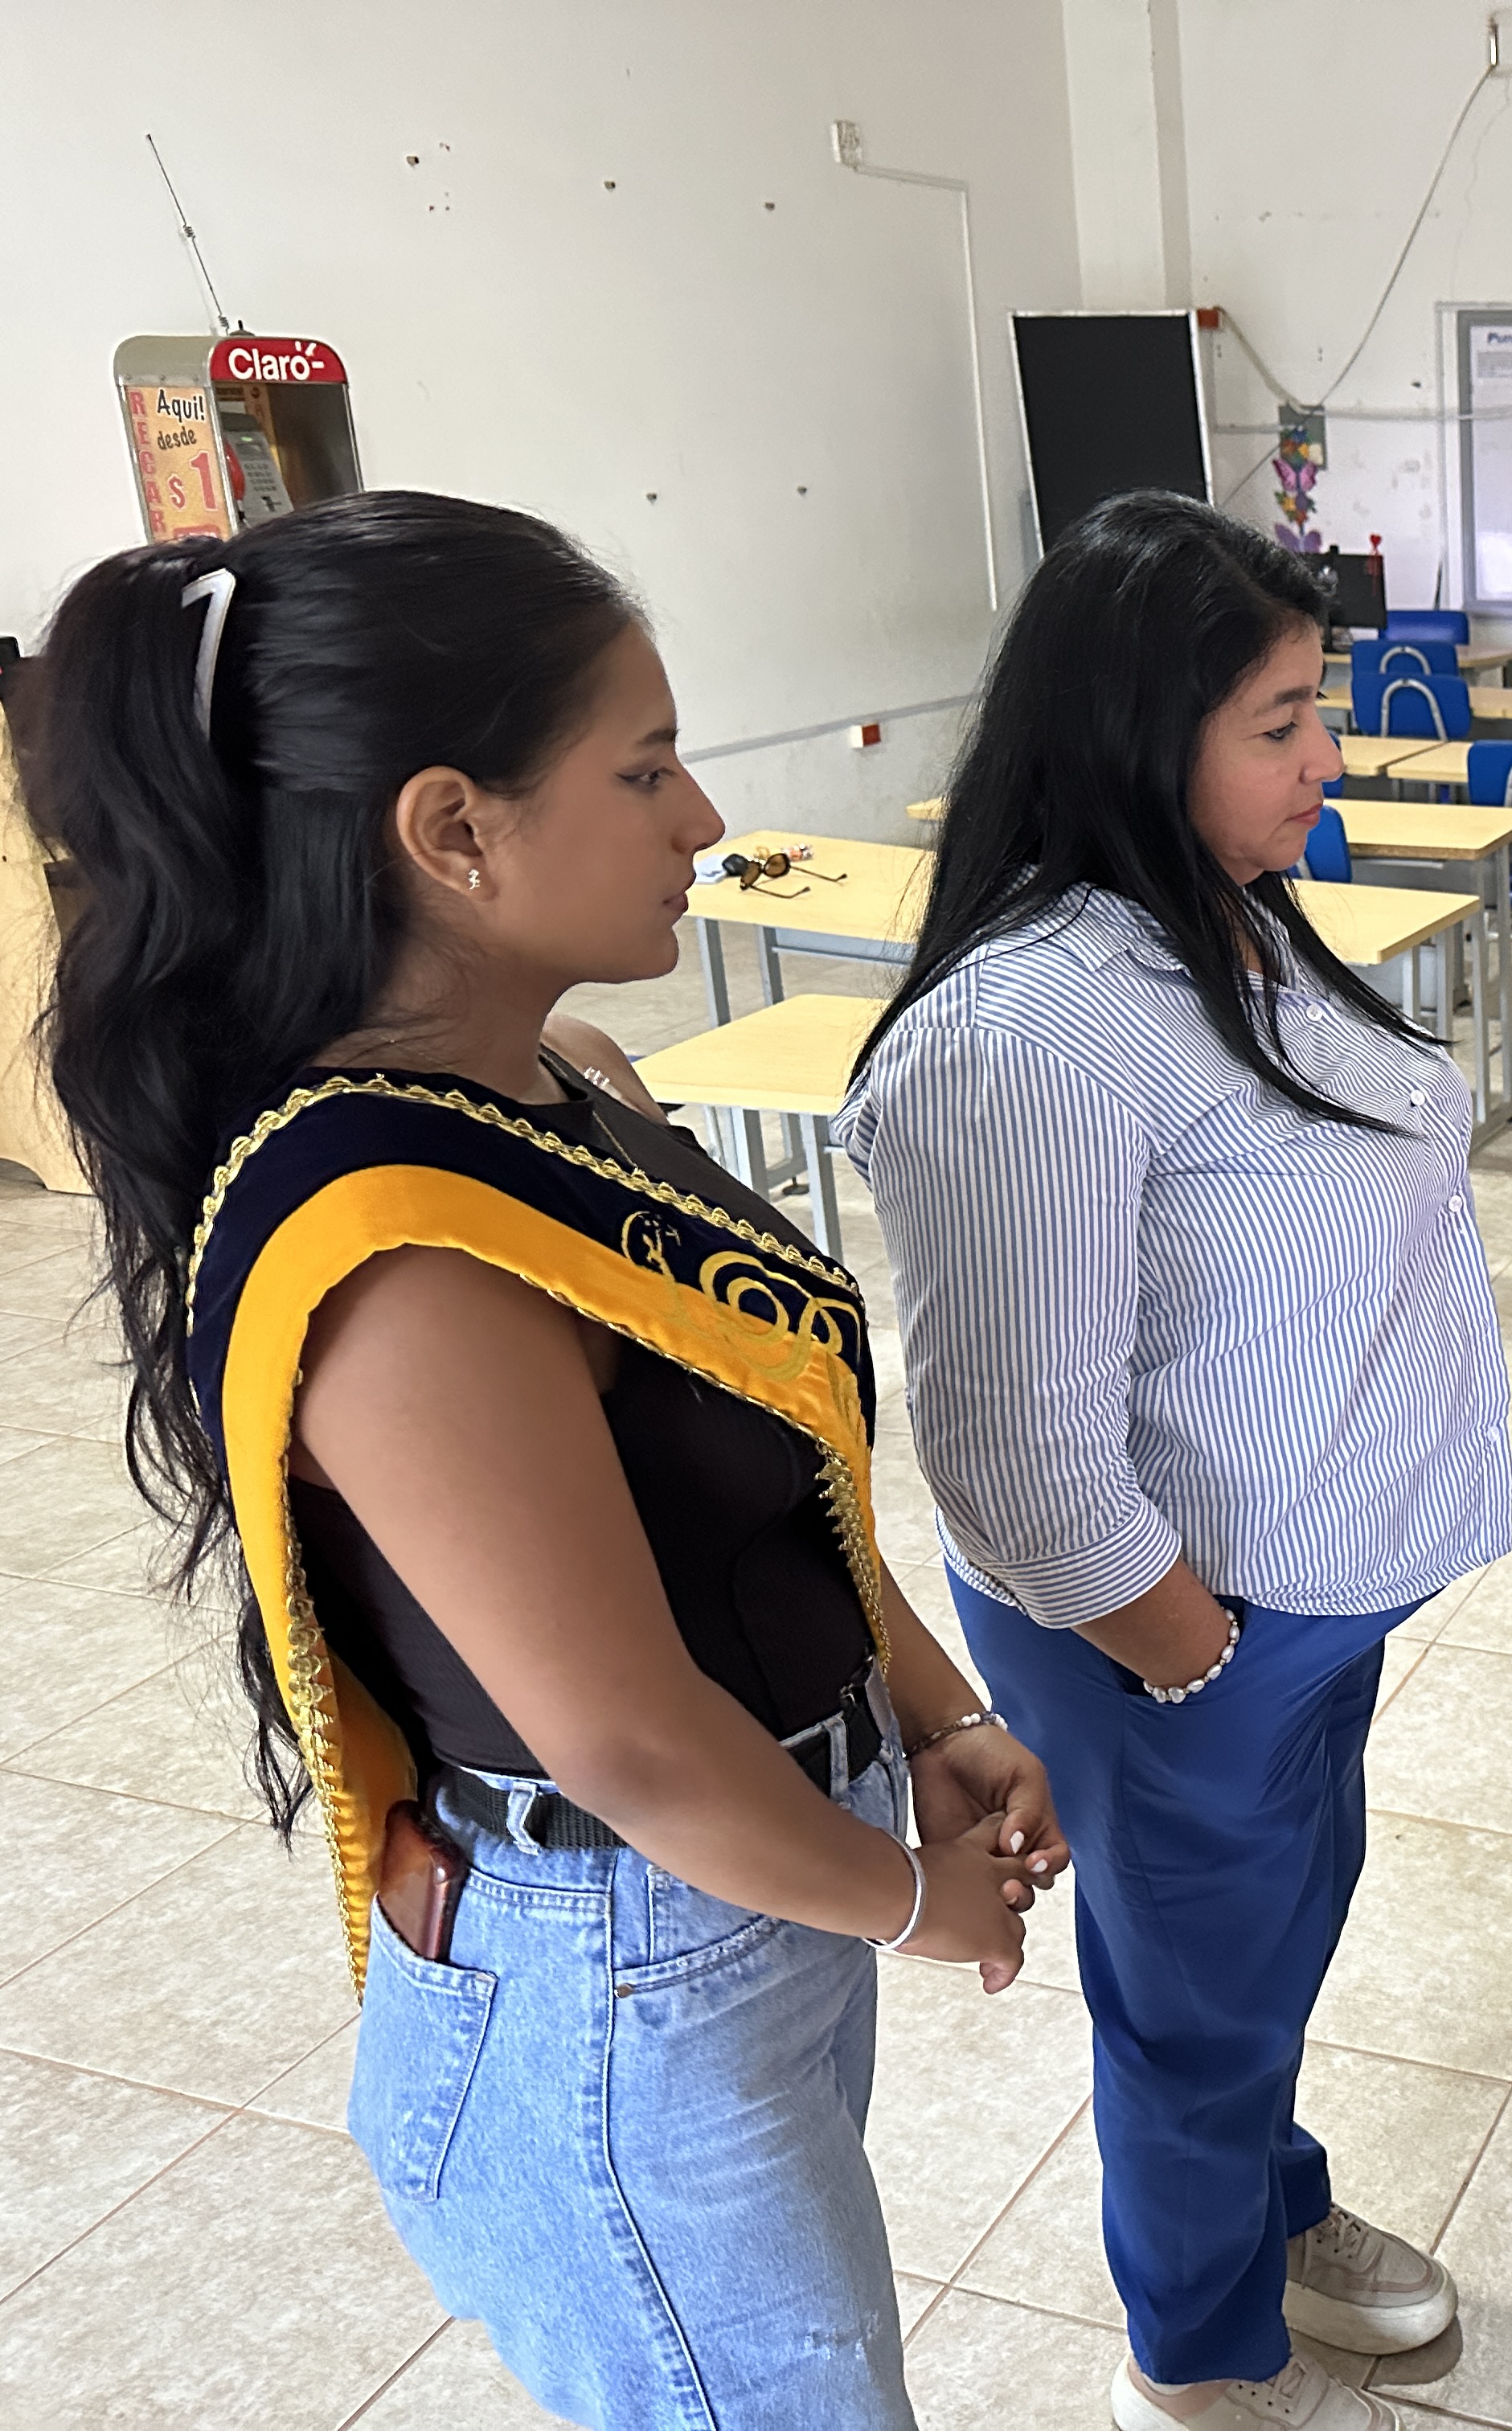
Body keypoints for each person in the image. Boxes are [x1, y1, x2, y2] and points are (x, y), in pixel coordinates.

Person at [31, 490, 1066, 2430]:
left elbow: (760, 1465)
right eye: (645, 768)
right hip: (628, 1956)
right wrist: (908, 1901)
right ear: (454, 830)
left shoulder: (563, 1084)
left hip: (749, 1883)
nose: (701, 820)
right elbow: (629, 1741)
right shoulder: (404, 1249)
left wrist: (928, 1710)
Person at [839, 491, 1510, 2431]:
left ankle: (1266, 2215)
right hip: (1179, 1630)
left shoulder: (1213, 921)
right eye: (1281, 723)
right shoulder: (1031, 1028)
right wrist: (1192, 1654)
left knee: (1257, 1962)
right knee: (1194, 2003)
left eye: (1323, 710)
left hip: (1293, 1608)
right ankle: (1198, 2360)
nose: (1330, 760)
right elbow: (1012, 1451)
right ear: (1141, 734)